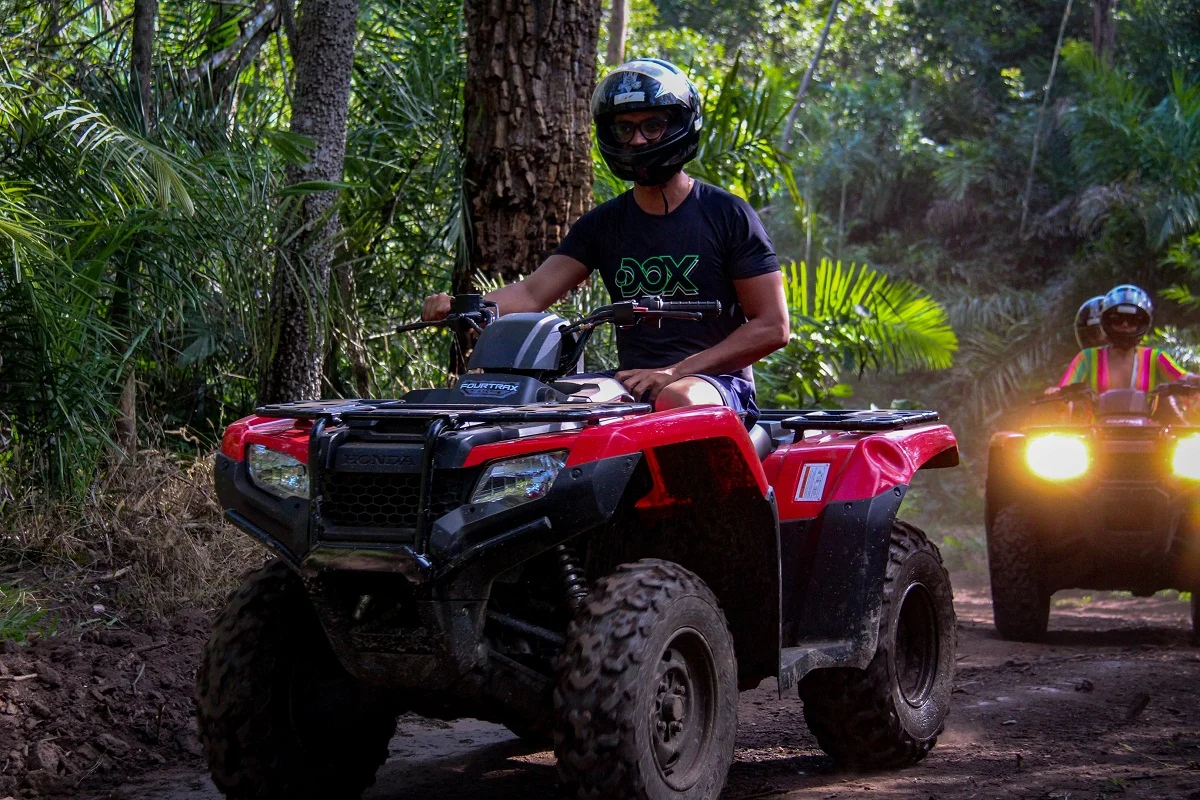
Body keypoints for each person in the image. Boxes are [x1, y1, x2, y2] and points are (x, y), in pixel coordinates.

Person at [422, 59, 789, 422]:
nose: (638, 140)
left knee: (677, 399)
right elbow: (533, 293)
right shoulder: (603, 223)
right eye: (625, 128)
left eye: (652, 126)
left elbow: (773, 326)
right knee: (545, 404)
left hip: (716, 383)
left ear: (680, 124)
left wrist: (677, 371)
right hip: (634, 381)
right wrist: (463, 307)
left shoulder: (727, 214)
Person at [1056, 285, 1188, 393]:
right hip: (1094, 419)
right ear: (1107, 322)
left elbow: (1185, 378)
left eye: (1132, 321)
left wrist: (1195, 381)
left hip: (1147, 419)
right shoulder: (1087, 357)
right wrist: (1055, 392)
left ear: (1141, 324)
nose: (1125, 325)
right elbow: (1064, 389)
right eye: (1118, 320)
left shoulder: (1155, 357)